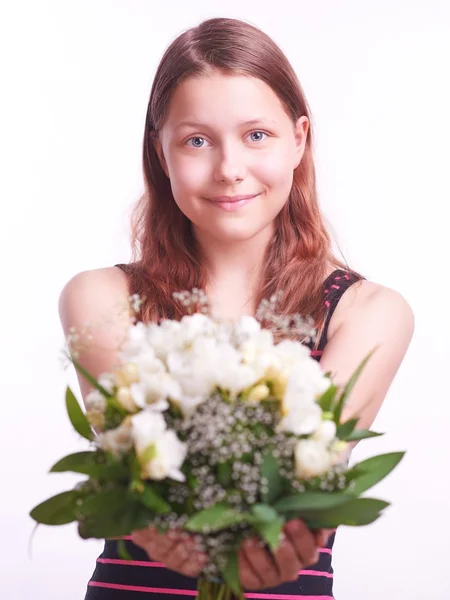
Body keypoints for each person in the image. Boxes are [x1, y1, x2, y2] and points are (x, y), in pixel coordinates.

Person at [58, 16, 415, 599]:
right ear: (161, 149)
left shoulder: (368, 312)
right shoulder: (102, 299)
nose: (229, 168)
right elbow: (139, 473)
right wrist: (163, 525)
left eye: (256, 135)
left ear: (299, 138)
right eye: (197, 140)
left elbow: (306, 476)